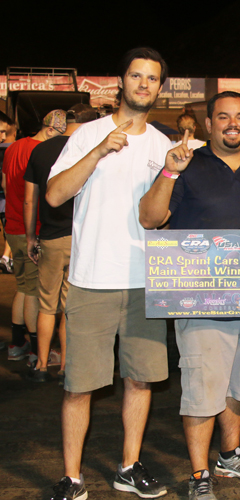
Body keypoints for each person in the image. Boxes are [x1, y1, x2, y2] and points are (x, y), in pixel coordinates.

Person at [139, 91, 240, 500]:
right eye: (223, 116)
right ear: (208, 124)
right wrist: (169, 173)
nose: (232, 123)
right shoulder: (187, 165)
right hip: (199, 297)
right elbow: (150, 218)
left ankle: (229, 455)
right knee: (203, 387)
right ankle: (199, 472)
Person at [45, 47, 172, 500]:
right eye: (136, 76)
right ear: (121, 82)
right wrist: (99, 151)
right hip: (92, 281)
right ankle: (72, 477)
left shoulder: (163, 146)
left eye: (151, 78)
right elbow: (54, 195)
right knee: (79, 386)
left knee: (140, 379)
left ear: (160, 87)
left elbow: (161, 218)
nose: (143, 84)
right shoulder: (89, 134)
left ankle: (129, 467)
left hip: (144, 283)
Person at [23, 104, 98, 383]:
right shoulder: (92, 151)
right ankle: (66, 365)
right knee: (69, 306)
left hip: (51, 237)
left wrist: (30, 237)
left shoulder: (40, 150)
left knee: (46, 304)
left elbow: (30, 199)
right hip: (81, 239)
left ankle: (42, 365)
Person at [3, 109, 66, 362]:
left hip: (11, 226)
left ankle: (17, 343)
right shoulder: (41, 151)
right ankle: (35, 351)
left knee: (22, 287)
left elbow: (5, 184)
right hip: (31, 227)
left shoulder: (14, 147)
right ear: (50, 130)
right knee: (34, 293)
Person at [0, 110, 16, 275]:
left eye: (5, 132)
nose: (3, 137)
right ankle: (6, 257)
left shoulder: (8, 150)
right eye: (1, 132)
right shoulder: (10, 150)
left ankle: (6, 257)